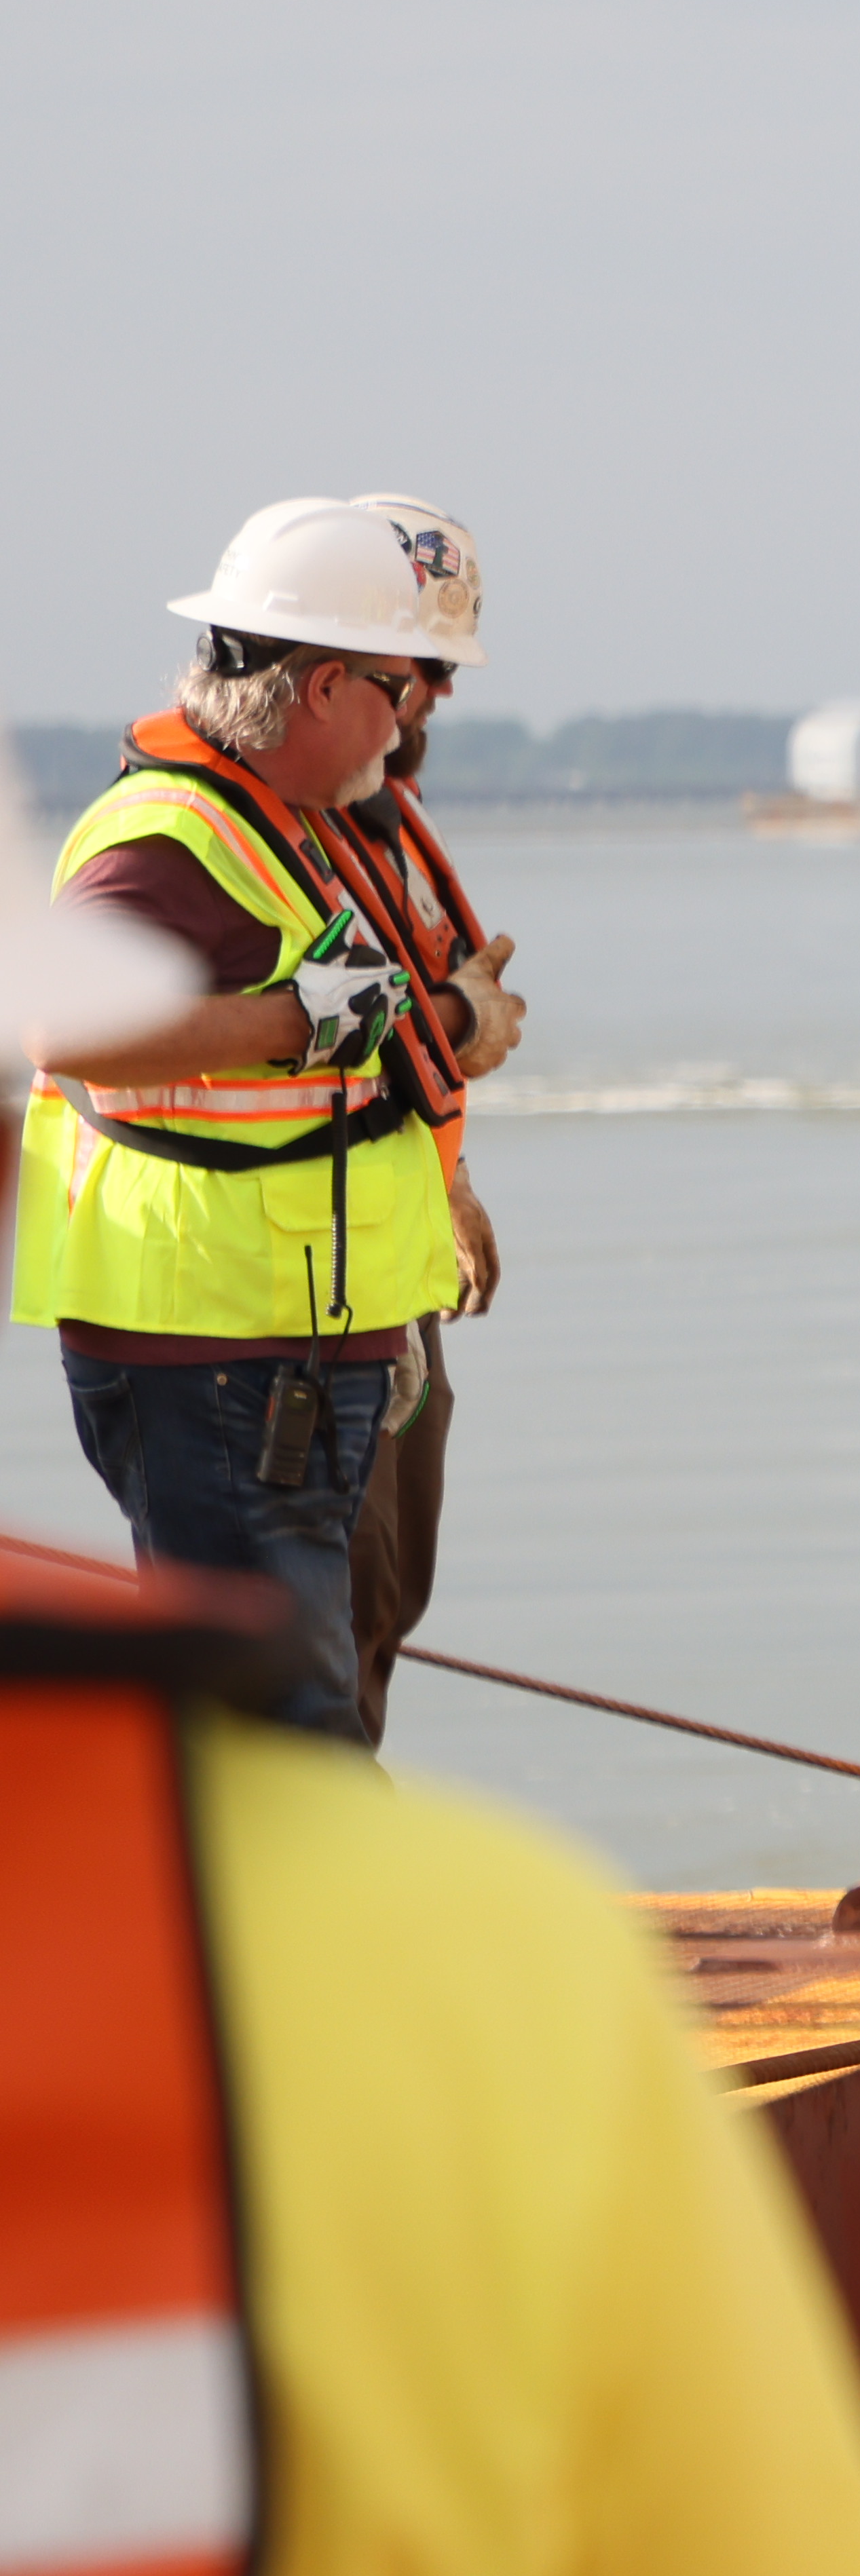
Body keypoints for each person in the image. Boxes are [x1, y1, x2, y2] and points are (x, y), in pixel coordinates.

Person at [0, 706, 860, 2576]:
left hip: (342, 1321)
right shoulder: (432, 1979)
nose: (419, 715)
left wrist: (419, 1152)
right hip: (250, 1355)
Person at [16, 499, 507, 1738]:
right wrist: (296, 1019)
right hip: (217, 1347)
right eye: (400, 686)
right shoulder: (172, 837)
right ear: (327, 684)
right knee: (283, 1731)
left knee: (299, 1707)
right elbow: (61, 1026)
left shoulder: (283, 817)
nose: (412, 714)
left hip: (279, 1335)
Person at [335, 494, 526, 1745]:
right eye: (428, 670)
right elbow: (320, 1039)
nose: (440, 700)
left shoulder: (385, 825)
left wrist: (450, 1187)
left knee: (389, 1591)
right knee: (336, 1601)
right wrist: (461, 1019)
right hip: (292, 1299)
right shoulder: (262, 831)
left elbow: (394, 1056)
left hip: (390, 1260)